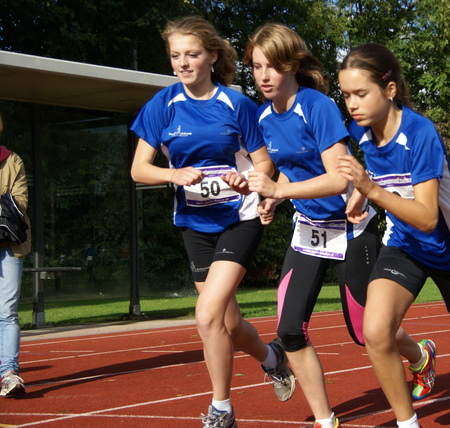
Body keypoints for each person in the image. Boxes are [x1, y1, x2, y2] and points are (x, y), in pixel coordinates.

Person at [243, 24, 435, 428]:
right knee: (289, 329)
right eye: (256, 66)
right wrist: (272, 199)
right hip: (308, 230)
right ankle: (325, 420)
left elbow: (337, 178)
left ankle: (419, 355)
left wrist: (282, 188)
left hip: (349, 230)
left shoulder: (317, 106)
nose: (262, 76)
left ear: (293, 65)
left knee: (368, 333)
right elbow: (284, 172)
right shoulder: (263, 117)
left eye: (272, 67)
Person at [129, 16, 295, 428]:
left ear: (212, 56)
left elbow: (264, 162)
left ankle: (221, 408)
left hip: (239, 218)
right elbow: (138, 169)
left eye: (192, 54)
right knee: (229, 321)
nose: (183, 63)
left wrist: (247, 180)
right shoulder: (161, 105)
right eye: (175, 56)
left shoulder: (236, 104)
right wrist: (172, 175)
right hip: (193, 223)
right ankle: (273, 358)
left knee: (206, 316)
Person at [336, 43, 450, 428]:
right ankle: (407, 423)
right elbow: (374, 185)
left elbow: (429, 217)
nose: (352, 104)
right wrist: (356, 197)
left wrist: (371, 191)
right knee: (376, 331)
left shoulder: (420, 133)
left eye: (361, 94)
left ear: (390, 90)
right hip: (404, 245)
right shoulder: (359, 131)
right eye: (346, 94)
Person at [0, 112, 31, 397]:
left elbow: (19, 200)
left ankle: (9, 373)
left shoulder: (13, 160)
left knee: (7, 311)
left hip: (9, 245)